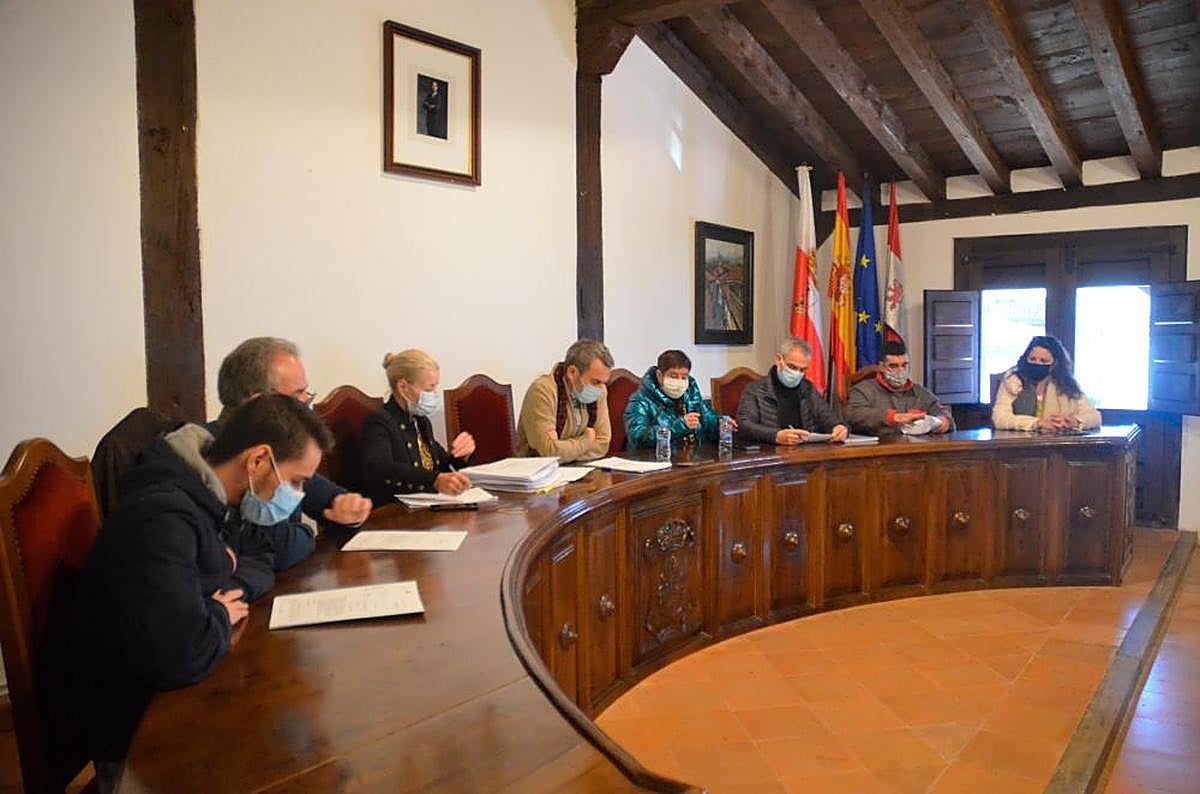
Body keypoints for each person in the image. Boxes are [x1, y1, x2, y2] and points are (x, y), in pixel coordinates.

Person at [71, 395, 334, 766]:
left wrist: (225, 593)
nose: (298, 496)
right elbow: (179, 653)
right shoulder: (161, 516)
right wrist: (217, 611)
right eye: (295, 481)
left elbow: (263, 557)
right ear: (258, 460)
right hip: (141, 734)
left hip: (182, 690)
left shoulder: (216, 496)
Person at [211, 338, 372, 569]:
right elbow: (280, 550)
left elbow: (328, 498)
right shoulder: (229, 458)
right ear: (262, 402)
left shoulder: (278, 444)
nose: (306, 403)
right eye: (298, 394)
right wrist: (306, 532)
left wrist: (347, 509)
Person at [360, 349, 476, 504]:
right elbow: (380, 468)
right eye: (429, 389)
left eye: (435, 387)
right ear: (403, 387)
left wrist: (462, 455)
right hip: (395, 513)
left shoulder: (421, 420)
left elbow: (442, 465)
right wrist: (434, 480)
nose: (434, 394)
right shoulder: (379, 422)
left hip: (427, 507)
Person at [516, 339, 613, 462]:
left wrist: (563, 451)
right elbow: (548, 453)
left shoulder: (600, 391)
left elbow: (603, 444)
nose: (600, 388)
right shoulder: (542, 391)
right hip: (536, 475)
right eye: (595, 382)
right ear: (572, 372)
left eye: (603, 382)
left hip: (579, 471)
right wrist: (587, 440)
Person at [736, 338, 848, 445]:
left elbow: (831, 419)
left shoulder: (808, 389)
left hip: (805, 454)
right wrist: (775, 436)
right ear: (779, 360)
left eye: (802, 370)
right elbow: (744, 426)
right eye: (792, 367)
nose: (797, 373)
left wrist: (839, 428)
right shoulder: (756, 390)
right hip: (770, 454)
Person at [993, 335, 1101, 432]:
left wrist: (1075, 421)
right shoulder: (1012, 381)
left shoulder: (1066, 384)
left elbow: (1095, 417)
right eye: (1032, 359)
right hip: (1019, 446)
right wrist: (1036, 423)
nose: (1037, 363)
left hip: (1057, 445)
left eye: (1044, 361)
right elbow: (999, 417)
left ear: (1054, 364)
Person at [845, 340, 954, 436]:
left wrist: (944, 421)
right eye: (894, 366)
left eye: (904, 365)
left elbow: (942, 410)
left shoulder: (919, 392)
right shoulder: (863, 390)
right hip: (878, 451)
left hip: (914, 450)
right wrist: (893, 417)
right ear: (882, 367)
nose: (900, 371)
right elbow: (852, 414)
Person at [624, 349, 726, 450]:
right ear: (659, 375)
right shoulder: (640, 400)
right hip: (654, 459)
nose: (679, 382)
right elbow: (638, 437)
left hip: (692, 457)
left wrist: (721, 423)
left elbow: (707, 418)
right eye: (673, 376)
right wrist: (679, 426)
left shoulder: (691, 393)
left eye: (684, 377)